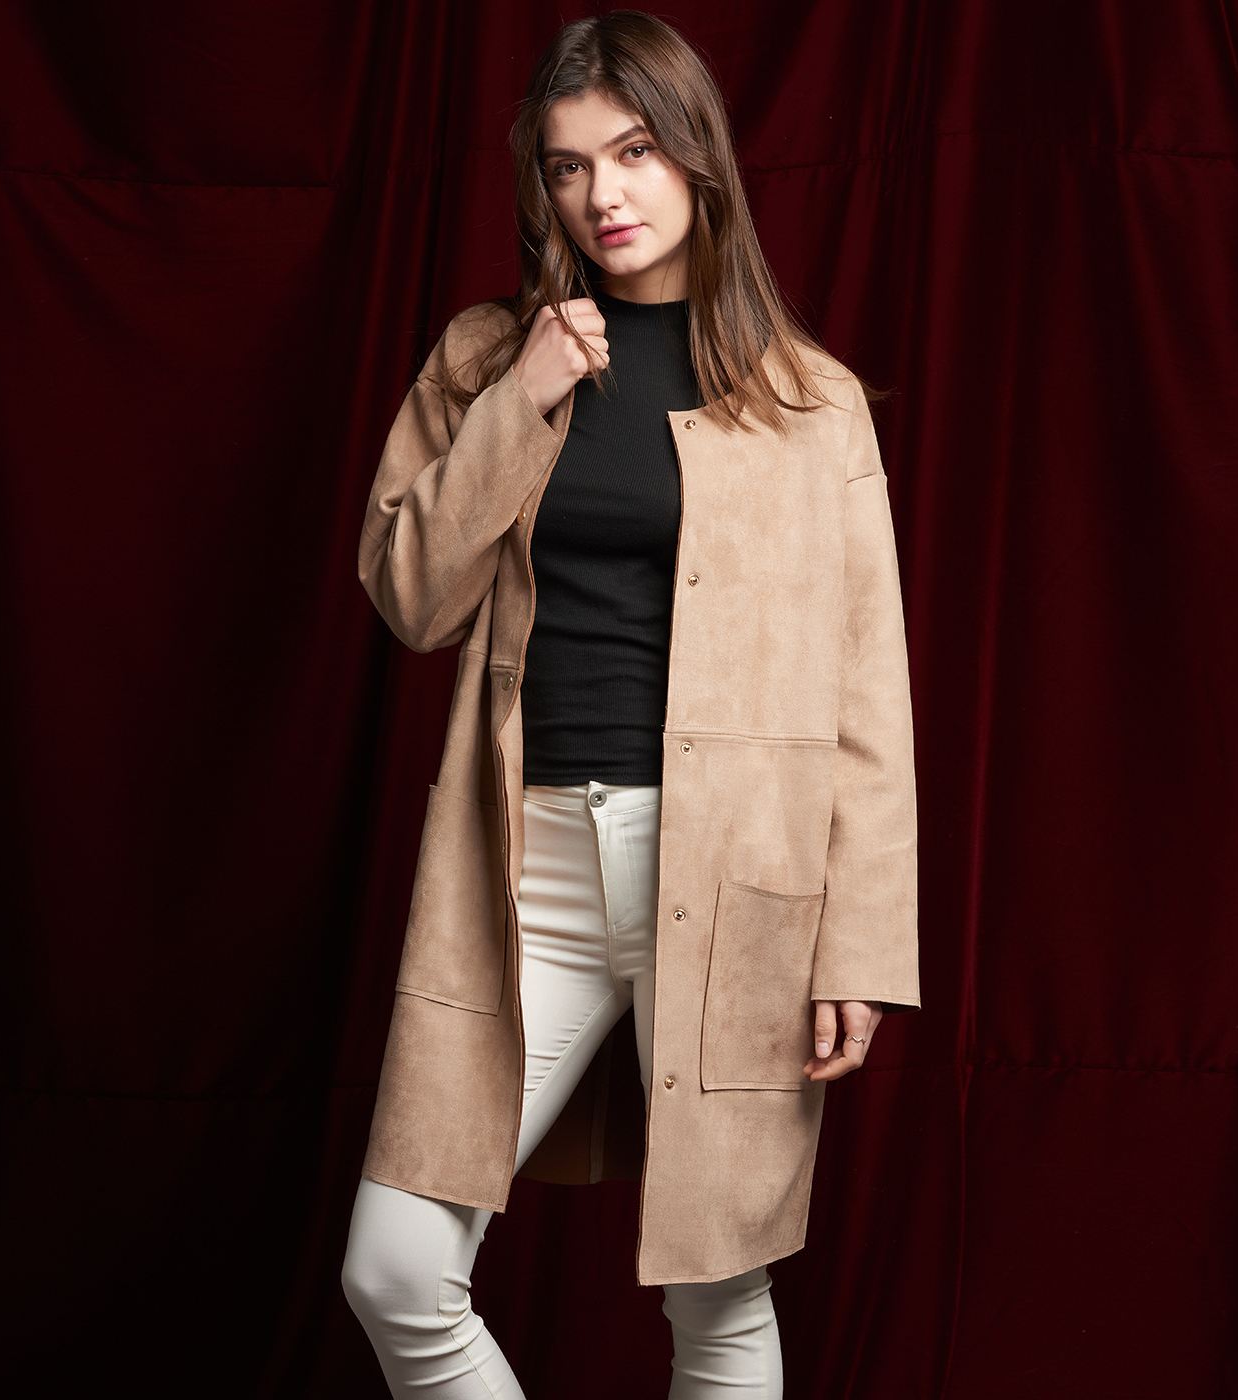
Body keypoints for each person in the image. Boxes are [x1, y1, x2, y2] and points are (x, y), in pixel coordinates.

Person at [341, 11, 918, 1398]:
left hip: (729, 877)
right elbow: (411, 597)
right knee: (398, 1269)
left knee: (719, 1287)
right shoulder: (485, 358)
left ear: (697, 157)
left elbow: (869, 692)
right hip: (519, 870)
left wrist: (862, 945)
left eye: (637, 151)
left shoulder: (812, 403)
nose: (604, 193)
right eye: (568, 165)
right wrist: (522, 400)